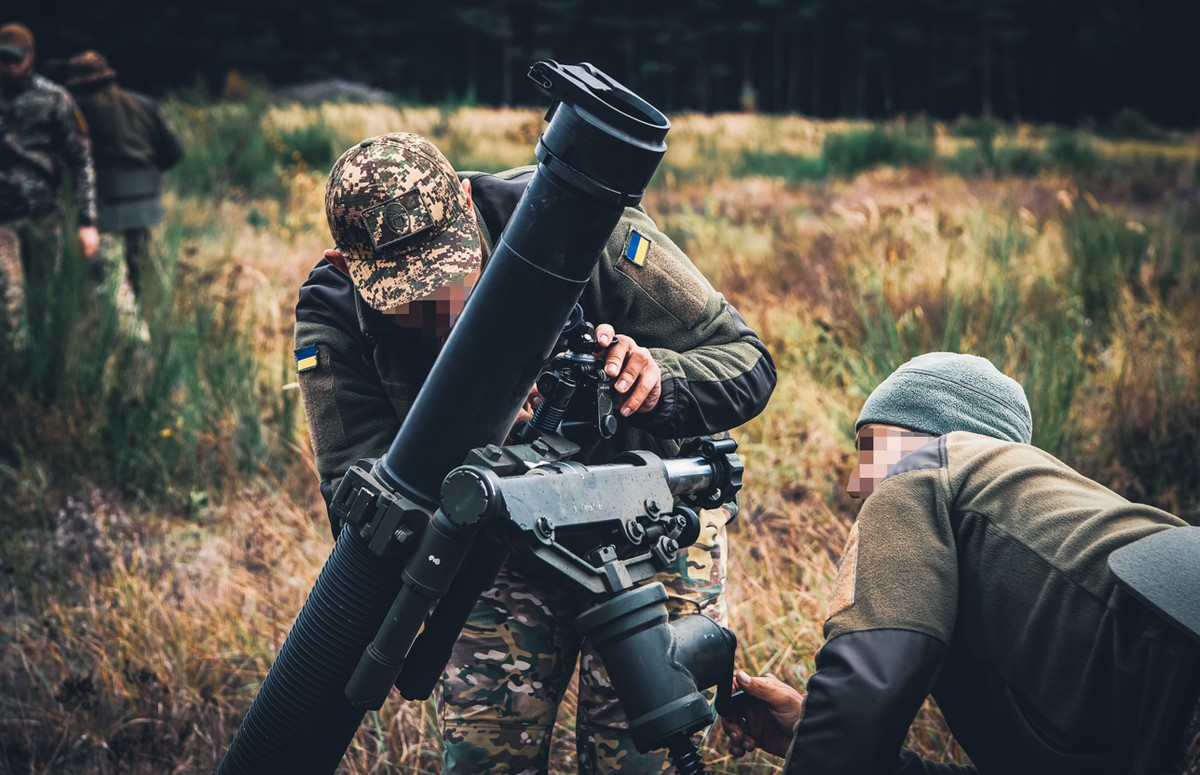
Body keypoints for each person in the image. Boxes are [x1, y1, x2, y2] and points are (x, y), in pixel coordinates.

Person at [293, 132, 776, 772]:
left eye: (452, 277)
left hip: (651, 525)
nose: (443, 309)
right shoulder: (336, 310)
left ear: (466, 204)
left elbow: (747, 360)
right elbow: (358, 502)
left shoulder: (579, 228)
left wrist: (653, 381)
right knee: (484, 761)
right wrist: (477, 443)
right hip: (495, 548)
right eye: (410, 300)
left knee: (642, 760)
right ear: (348, 264)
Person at [722, 351, 1200, 774]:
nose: (856, 482)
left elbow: (864, 692)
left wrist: (831, 745)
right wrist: (810, 731)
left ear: (931, 436)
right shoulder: (1019, 553)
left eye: (869, 449)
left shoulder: (926, 467)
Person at [63, 49, 183, 307]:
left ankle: (128, 335)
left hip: (105, 205)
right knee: (138, 270)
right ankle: (140, 321)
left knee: (110, 278)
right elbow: (175, 152)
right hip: (147, 204)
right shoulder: (145, 103)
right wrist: (146, 171)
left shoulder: (80, 111)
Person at [0, 22, 98, 334]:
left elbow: (81, 160)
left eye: (18, 57)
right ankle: (14, 372)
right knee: (10, 298)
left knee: (43, 300)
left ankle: (40, 375)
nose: (11, 64)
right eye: (4, 58)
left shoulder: (54, 98)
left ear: (32, 56)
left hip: (43, 215)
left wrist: (87, 221)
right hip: (2, 218)